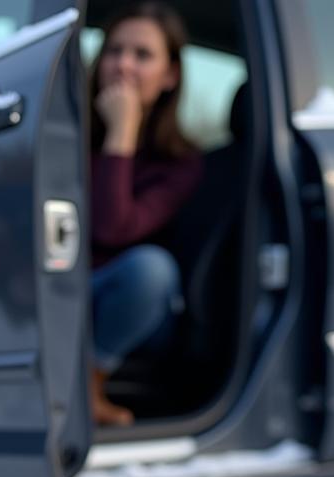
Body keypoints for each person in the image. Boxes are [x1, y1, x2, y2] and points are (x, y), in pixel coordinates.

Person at [89, 2, 202, 426]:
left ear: (170, 75)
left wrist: (122, 133)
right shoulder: (65, 138)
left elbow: (113, 229)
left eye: (142, 55)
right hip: (65, 289)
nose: (122, 65)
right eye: (114, 51)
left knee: (150, 269)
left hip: (133, 306)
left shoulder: (181, 163)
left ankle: (89, 380)